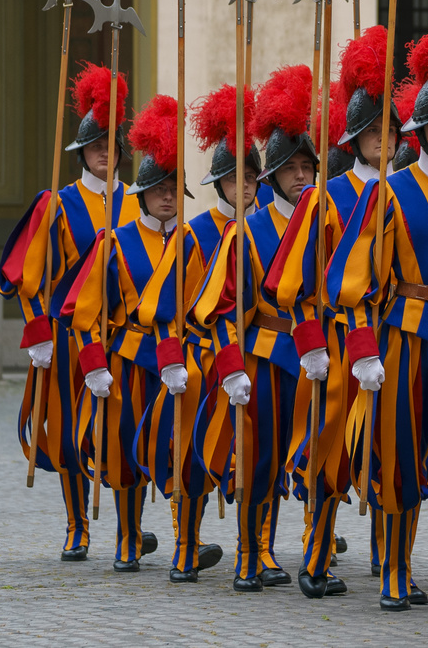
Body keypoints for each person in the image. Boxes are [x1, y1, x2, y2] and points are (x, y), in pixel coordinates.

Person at [328, 26, 428, 611]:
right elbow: (358, 281)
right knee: (401, 455)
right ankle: (395, 568)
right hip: (404, 335)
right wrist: (365, 349)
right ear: (418, 131)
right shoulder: (389, 192)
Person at [266, 27, 403, 599]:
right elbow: (291, 281)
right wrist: (313, 344)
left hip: (397, 339)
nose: (381, 139)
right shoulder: (326, 195)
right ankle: (317, 558)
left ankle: (394, 567)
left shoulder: (409, 192)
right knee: (329, 453)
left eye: (388, 129)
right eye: (371, 130)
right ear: (355, 137)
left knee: (395, 453)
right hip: (342, 342)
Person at [0, 63, 138, 563]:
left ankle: (129, 533)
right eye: (96, 144)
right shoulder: (56, 204)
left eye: (111, 143)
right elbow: (27, 275)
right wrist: (38, 335)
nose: (105, 151)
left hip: (121, 337)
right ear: (81, 151)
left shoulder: (136, 204)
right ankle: (77, 526)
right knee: (70, 432)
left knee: (121, 429)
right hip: (65, 337)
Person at [191, 64, 318, 594]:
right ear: (272, 176)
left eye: (308, 164)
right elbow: (221, 308)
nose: (301, 175)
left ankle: (274, 545)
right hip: (265, 354)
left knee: (299, 456)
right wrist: (231, 368)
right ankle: (251, 552)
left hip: (314, 355)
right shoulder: (248, 232)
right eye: (289, 167)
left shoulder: (325, 221)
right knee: (259, 458)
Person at [59, 93, 192, 574]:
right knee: (120, 449)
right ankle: (128, 538)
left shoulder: (193, 241)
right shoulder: (114, 242)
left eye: (174, 186)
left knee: (180, 446)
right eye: (157, 186)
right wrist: (94, 364)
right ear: (142, 192)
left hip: (179, 361)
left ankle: (185, 540)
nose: (166, 195)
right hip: (127, 358)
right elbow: (84, 310)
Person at [137, 83, 260, 582]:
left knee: (255, 456)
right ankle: (185, 546)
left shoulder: (272, 227)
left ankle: (255, 552)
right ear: (220, 183)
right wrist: (170, 360)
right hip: (202, 359)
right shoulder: (195, 234)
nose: (246, 186)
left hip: (258, 358)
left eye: (252, 177)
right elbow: (165, 305)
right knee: (189, 454)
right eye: (235, 178)